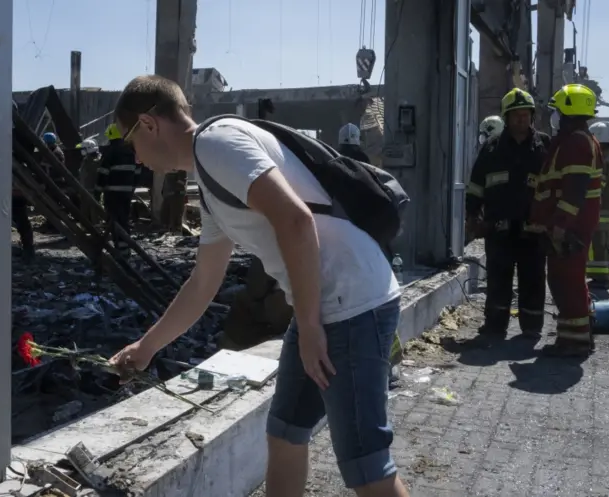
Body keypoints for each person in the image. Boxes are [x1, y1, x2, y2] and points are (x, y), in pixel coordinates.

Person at [109, 75, 408, 497]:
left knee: (366, 465)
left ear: (149, 123)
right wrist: (147, 347)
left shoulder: (217, 145)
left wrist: (307, 327)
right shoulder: (210, 181)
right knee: (285, 432)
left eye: (130, 141)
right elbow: (203, 282)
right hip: (323, 308)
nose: (135, 157)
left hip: (352, 303)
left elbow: (296, 220)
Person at [466, 88, 550, 339]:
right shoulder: (492, 148)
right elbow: (476, 184)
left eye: (525, 115)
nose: (521, 120)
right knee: (498, 280)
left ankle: (532, 327)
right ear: (507, 117)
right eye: (516, 115)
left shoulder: (545, 146)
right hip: (498, 228)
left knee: (533, 279)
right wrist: (472, 215)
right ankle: (495, 325)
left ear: (532, 117)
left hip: (533, 229)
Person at [529, 84, 602, 357]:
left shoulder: (577, 143)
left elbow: (574, 190)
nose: (554, 117)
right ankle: (571, 337)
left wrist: (560, 225)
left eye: (557, 112)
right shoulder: (574, 141)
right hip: (571, 225)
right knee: (565, 279)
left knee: (567, 281)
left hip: (571, 227)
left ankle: (575, 342)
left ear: (569, 112)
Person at [97, 123, 141, 258]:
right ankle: (126, 250)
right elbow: (138, 173)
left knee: (114, 221)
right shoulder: (131, 151)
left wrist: (97, 192)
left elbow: (102, 173)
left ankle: (119, 250)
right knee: (124, 220)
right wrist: (132, 188)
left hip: (112, 193)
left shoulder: (110, 152)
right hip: (126, 193)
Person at [587, 121, 609, 289]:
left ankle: (600, 278)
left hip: (601, 209)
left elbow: (598, 185)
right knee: (604, 242)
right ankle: (606, 276)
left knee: (598, 243)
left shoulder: (604, 158)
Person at [77, 138, 102, 225]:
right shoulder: (86, 160)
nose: (82, 151)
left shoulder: (96, 161)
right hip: (85, 190)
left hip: (92, 190)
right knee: (84, 211)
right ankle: (85, 228)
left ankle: (97, 229)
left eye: (83, 149)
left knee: (94, 211)